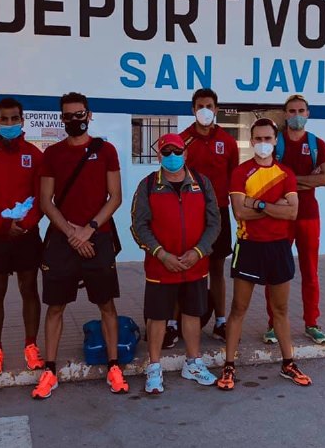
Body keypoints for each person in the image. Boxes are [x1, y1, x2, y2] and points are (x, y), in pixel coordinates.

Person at [32, 92, 128, 399]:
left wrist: (89, 230)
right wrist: (73, 234)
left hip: (97, 235)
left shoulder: (107, 150)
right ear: (62, 118)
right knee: (55, 307)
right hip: (62, 238)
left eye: (79, 114)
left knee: (106, 306)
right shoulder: (53, 154)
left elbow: (116, 197)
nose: (75, 120)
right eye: (69, 116)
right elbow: (46, 201)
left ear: (89, 114)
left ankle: (114, 366)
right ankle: (50, 370)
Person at [217, 118, 312, 391]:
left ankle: (288, 363)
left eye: (267, 138)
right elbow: (239, 212)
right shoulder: (240, 172)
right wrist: (273, 205)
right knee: (238, 309)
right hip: (249, 247)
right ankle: (229, 365)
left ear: (275, 141)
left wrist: (256, 202)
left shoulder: (286, 174)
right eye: (257, 139)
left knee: (280, 310)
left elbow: (292, 212)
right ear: (251, 141)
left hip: (279, 247)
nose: (262, 144)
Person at [131, 133, 220, 394]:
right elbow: (138, 225)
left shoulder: (202, 184)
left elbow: (214, 223)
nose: (172, 157)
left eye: (176, 151)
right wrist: (161, 254)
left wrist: (199, 251)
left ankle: (193, 363)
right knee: (157, 318)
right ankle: (154, 367)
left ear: (185, 154)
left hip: (195, 265)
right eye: (166, 152)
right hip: (161, 267)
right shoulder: (148, 185)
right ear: (158, 156)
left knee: (193, 314)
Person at [0, 97, 45, 376]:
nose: (11, 123)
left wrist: (25, 223)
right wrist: (2, 225)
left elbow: (41, 196)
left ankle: (31, 346)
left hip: (27, 235)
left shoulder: (35, 154)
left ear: (22, 119)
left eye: (15, 118)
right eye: (5, 119)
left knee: (29, 290)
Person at [263, 94, 325, 346]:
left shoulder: (317, 144)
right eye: (291, 111)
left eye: (301, 110)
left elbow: (324, 179)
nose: (296, 115)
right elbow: (270, 179)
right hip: (280, 217)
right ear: (285, 114)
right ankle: (273, 324)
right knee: (276, 273)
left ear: (308, 113)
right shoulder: (274, 143)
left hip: (308, 216)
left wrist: (290, 180)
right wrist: (304, 179)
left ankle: (312, 323)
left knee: (310, 272)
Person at [179, 88, 238, 343]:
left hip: (220, 214)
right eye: (200, 105)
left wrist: (239, 217)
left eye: (210, 106)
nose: (205, 110)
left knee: (217, 268)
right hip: (189, 215)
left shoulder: (228, 141)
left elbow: (235, 181)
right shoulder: (181, 141)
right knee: (184, 266)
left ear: (216, 109)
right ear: (193, 110)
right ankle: (173, 322)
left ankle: (221, 322)